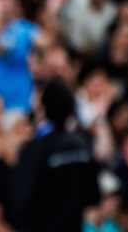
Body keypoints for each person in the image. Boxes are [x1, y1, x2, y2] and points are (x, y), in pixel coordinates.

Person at [10, 79, 101, 231]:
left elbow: (20, 202)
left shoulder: (33, 150)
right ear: (71, 109)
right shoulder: (83, 145)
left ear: (44, 110)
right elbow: (93, 196)